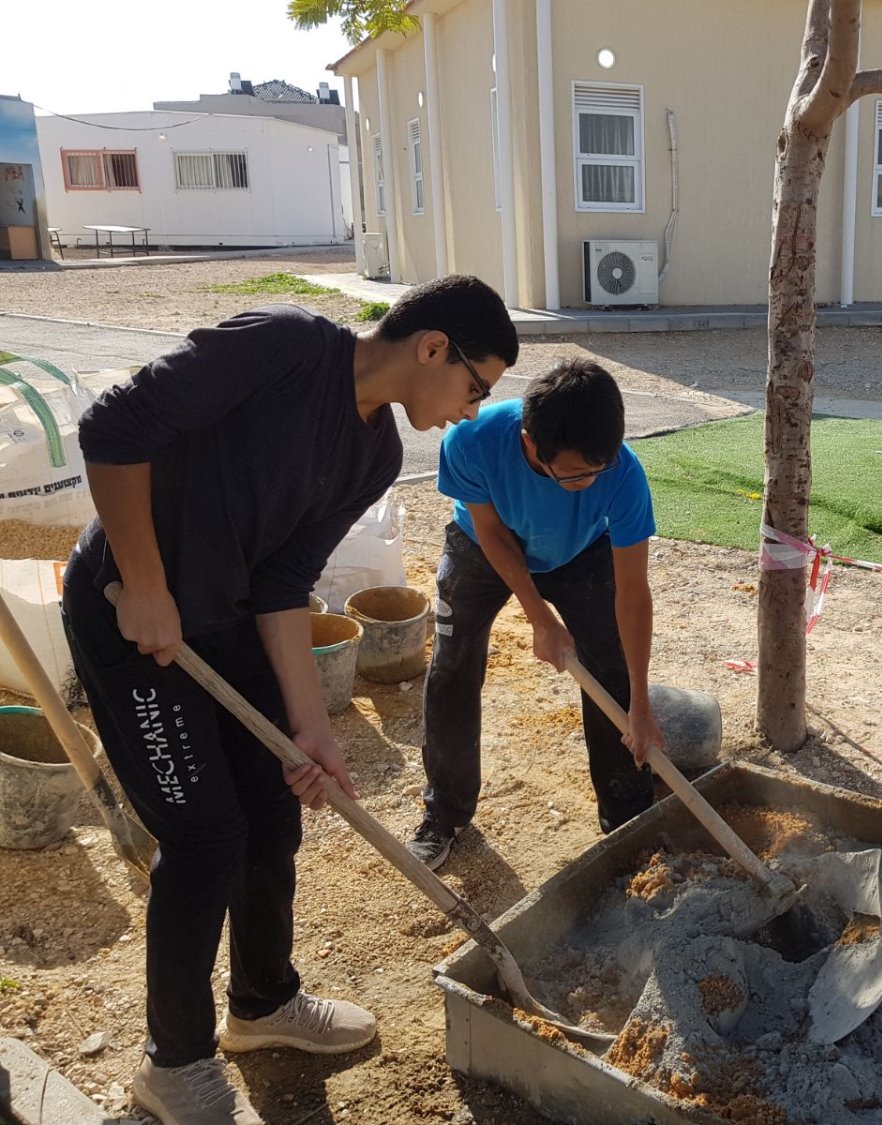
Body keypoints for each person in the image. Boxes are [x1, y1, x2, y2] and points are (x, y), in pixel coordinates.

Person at [61, 275, 517, 1125]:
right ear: (431, 347)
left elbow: (281, 583)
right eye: (475, 387)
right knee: (205, 835)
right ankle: (175, 1063)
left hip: (225, 614)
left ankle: (263, 1004)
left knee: (275, 807)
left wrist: (311, 729)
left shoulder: (376, 453)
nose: (470, 409)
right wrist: (150, 581)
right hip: (131, 616)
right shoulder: (286, 346)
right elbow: (115, 424)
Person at [408, 358, 663, 870]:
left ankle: (629, 820)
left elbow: (633, 592)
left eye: (599, 469)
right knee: (453, 666)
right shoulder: (471, 439)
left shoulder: (623, 473)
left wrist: (640, 703)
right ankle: (445, 813)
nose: (590, 482)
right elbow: (493, 536)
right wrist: (539, 617)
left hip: (580, 551)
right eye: (574, 474)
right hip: (486, 544)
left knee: (609, 669)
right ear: (530, 444)